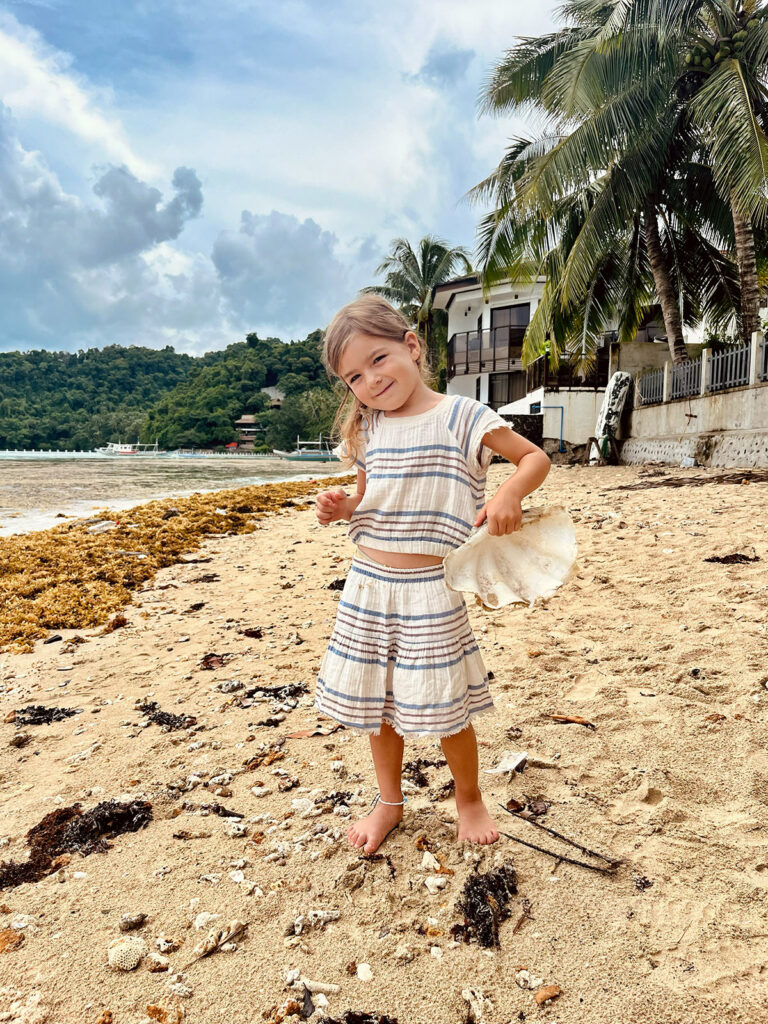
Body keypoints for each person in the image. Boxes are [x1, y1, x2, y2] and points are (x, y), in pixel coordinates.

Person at [315, 294, 551, 854]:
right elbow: (369, 498)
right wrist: (343, 507)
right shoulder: (369, 429)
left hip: (430, 590)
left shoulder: (462, 416)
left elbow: (534, 459)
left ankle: (468, 797)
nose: (371, 380)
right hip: (369, 585)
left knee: (449, 706)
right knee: (378, 705)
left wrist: (508, 494)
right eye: (354, 376)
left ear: (412, 346)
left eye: (378, 359)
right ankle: (388, 801)